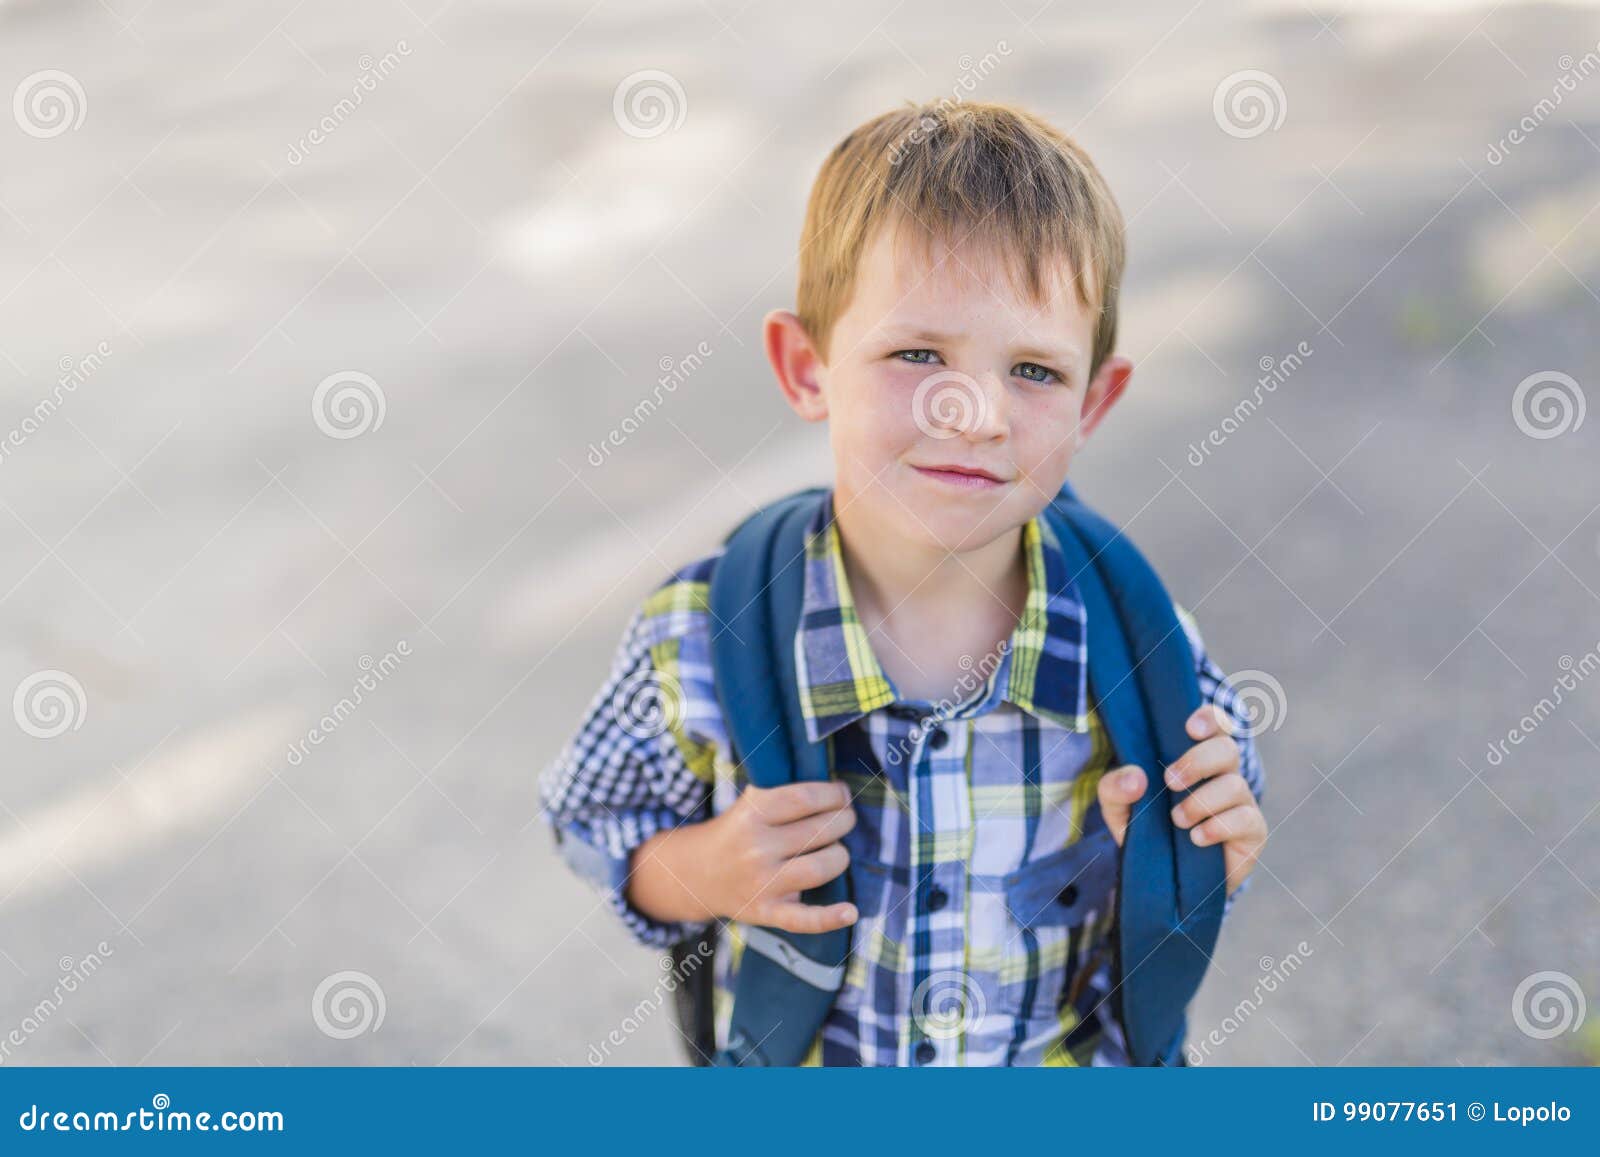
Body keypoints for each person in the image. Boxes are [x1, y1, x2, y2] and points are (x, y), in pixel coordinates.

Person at [540, 99, 1268, 1066]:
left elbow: (1212, 844)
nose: (975, 413)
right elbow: (594, 821)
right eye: (918, 353)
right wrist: (703, 871)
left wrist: (1199, 854)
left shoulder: (1135, 639)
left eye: (1036, 371)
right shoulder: (705, 635)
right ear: (808, 368)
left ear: (1095, 401)